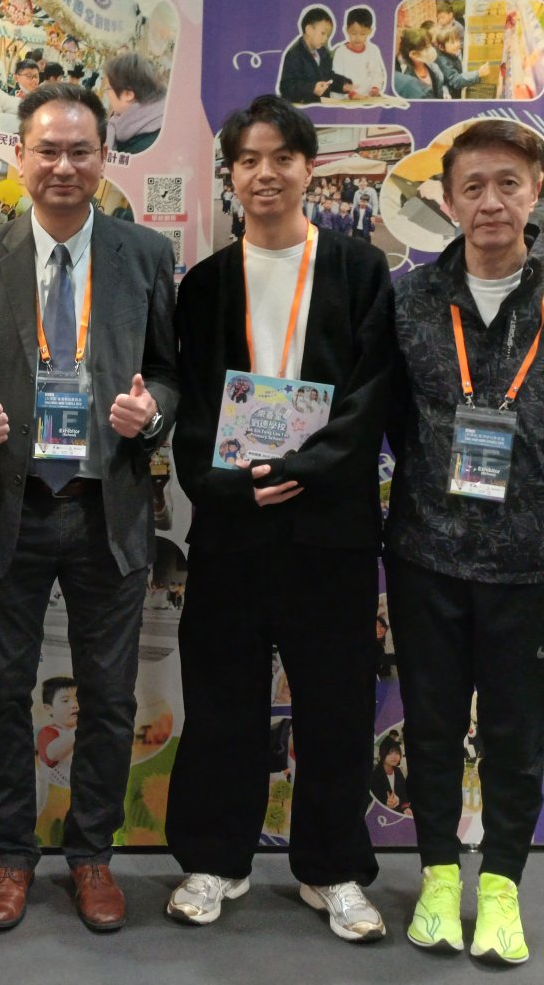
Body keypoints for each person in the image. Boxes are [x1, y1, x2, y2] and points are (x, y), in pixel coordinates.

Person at [0, 82, 179, 933]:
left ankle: (92, 856)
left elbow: (169, 372)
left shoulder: (145, 255)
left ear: (105, 157)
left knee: (109, 697)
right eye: (48, 150)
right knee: (3, 693)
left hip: (109, 509)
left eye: (80, 151)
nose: (63, 166)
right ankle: (10, 856)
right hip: (14, 506)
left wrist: (154, 413)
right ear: (21, 156)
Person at [385, 119, 544, 966]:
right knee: (432, 726)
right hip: (427, 553)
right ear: (446, 201)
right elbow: (395, 417)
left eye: (508, 184)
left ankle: (503, 887)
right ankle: (439, 875)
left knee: (518, 736)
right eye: (473, 186)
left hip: (533, 558)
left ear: (538, 192)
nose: (491, 202)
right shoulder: (410, 299)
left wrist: (536, 487)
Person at [164, 95, 395, 939]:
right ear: (231, 175)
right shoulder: (204, 284)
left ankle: (332, 869)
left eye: (281, 158)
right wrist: (227, 486)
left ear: (309, 167)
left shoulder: (359, 270)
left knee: (335, 706)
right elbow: (191, 406)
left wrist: (302, 470)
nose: (265, 174)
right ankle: (213, 860)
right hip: (233, 526)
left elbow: (371, 397)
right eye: (249, 161)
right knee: (220, 701)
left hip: (330, 528)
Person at [33, 676, 78, 847]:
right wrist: (79, 730)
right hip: (52, 801)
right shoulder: (48, 733)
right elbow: (52, 754)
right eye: (66, 700)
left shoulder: (82, 733)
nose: (74, 705)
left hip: (77, 799)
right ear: (48, 708)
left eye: (77, 699)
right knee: (50, 836)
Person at [278, 7, 349, 104]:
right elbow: (286, 88)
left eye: (328, 35)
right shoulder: (294, 55)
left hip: (322, 106)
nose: (325, 38)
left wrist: (343, 85)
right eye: (323, 33)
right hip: (303, 108)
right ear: (308, 30)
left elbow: (329, 77)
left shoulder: (323, 53)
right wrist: (312, 88)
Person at [102, 53, 166, 156]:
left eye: (108, 88)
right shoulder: (119, 123)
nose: (107, 94)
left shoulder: (148, 147)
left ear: (128, 94)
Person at [331, 7, 386, 97]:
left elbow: (377, 73)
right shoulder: (341, 52)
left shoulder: (373, 50)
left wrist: (375, 88)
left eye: (362, 34)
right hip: (344, 98)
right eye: (353, 33)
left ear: (370, 31)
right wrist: (351, 93)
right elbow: (337, 78)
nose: (358, 38)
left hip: (366, 97)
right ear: (347, 30)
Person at [368, 738, 410, 815]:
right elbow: (371, 801)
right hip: (381, 816)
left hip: (399, 813)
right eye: (390, 752)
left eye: (397, 753)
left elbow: (404, 792)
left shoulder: (397, 771)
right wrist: (385, 805)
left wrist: (405, 807)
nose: (395, 756)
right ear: (382, 754)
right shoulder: (374, 775)